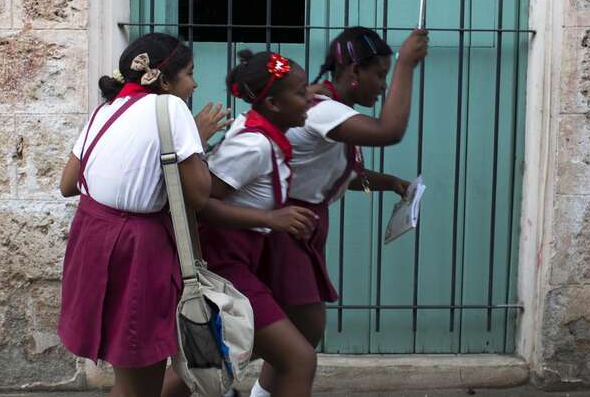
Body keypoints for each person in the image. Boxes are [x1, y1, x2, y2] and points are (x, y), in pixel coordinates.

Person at [252, 27, 429, 397]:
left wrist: (389, 182)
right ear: (353, 73)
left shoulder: (330, 110)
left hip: (302, 225)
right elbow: (388, 131)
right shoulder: (321, 109)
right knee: (299, 332)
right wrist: (407, 65)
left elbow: (332, 172)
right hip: (284, 225)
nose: (382, 86)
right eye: (379, 74)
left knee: (296, 335)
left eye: (387, 75)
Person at [57, 33, 226, 397]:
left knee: (128, 376)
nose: (195, 84)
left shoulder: (105, 110)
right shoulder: (172, 109)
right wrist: (194, 139)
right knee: (141, 379)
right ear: (164, 81)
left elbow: (68, 184)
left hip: (91, 236)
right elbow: (199, 194)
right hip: (136, 248)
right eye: (190, 74)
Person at [161, 50, 318, 397]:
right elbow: (204, 202)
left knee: (204, 360)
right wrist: (271, 219)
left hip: (243, 258)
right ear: (274, 105)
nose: (311, 98)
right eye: (302, 91)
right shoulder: (253, 145)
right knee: (298, 360)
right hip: (225, 262)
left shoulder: (263, 132)